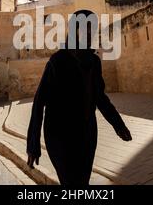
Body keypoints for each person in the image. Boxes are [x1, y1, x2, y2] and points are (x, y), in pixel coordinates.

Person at [26, 10, 132, 185]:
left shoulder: (94, 62)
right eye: (85, 28)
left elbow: (100, 98)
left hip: (87, 134)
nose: (90, 33)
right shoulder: (57, 60)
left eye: (92, 28)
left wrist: (118, 124)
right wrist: (33, 145)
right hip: (59, 135)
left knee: (82, 182)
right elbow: (39, 102)